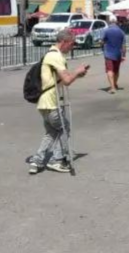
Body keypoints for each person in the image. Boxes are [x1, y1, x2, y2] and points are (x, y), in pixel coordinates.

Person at [29, 29, 89, 174]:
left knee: (51, 132)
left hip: (44, 102)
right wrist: (77, 71)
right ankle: (56, 160)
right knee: (64, 127)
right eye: (72, 44)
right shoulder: (55, 56)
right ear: (64, 42)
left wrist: (78, 74)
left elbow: (61, 79)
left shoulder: (52, 55)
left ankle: (37, 160)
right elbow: (67, 80)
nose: (72, 47)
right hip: (51, 102)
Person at [102, 15, 126, 94]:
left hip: (108, 54)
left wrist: (102, 44)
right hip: (118, 54)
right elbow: (123, 45)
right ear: (116, 21)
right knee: (116, 70)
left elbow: (102, 41)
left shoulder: (106, 31)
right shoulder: (121, 32)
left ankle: (112, 88)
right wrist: (124, 55)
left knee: (110, 70)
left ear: (109, 21)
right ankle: (115, 84)